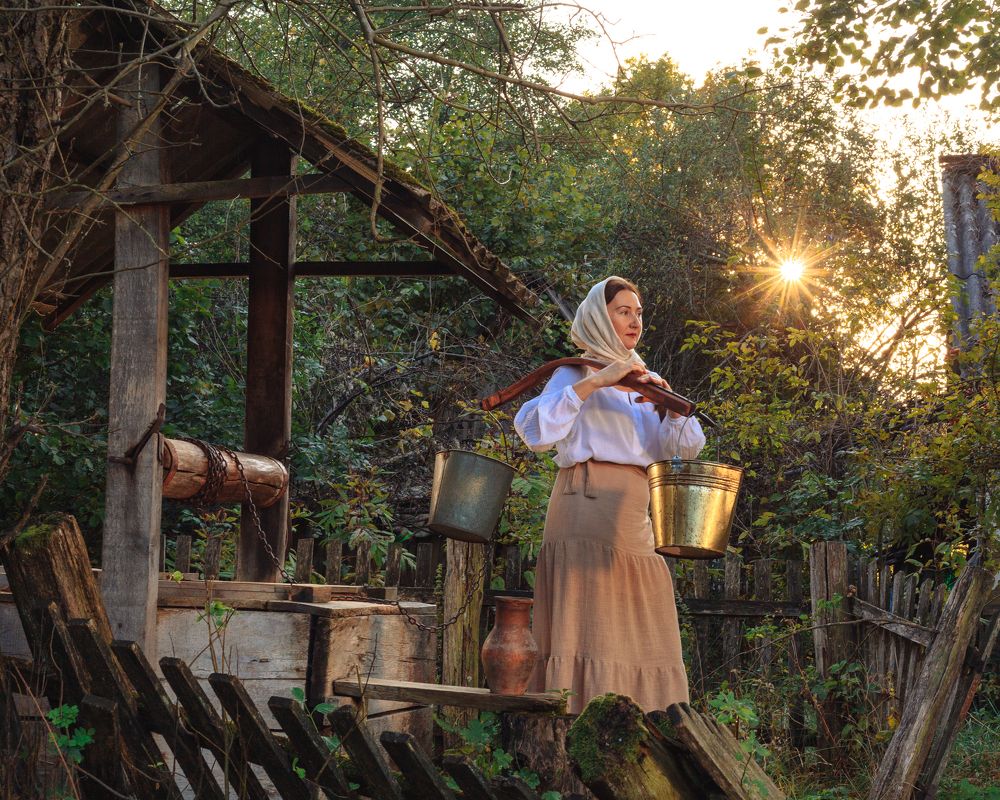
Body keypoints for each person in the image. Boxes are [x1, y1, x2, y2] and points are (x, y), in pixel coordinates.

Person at [513, 276, 706, 714]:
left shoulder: (646, 380)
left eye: (638, 312)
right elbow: (533, 430)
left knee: (643, 615)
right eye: (623, 311)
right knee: (587, 617)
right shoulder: (573, 372)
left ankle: (645, 724)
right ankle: (573, 716)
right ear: (601, 317)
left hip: (636, 510)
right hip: (584, 504)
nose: (634, 320)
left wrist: (670, 406)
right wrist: (599, 381)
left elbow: (683, 449)